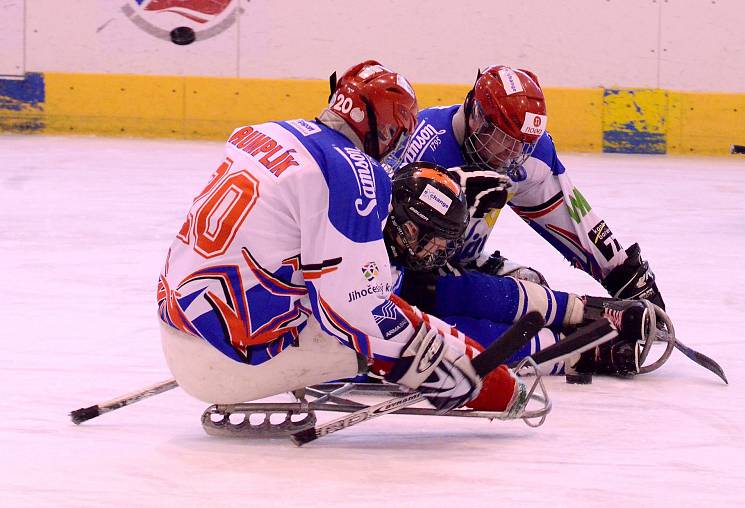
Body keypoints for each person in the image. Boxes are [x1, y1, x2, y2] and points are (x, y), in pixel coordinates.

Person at [156, 60, 526, 415]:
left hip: (179, 320)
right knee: (378, 314)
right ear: (383, 130)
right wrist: (452, 369)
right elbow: (353, 306)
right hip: (234, 356)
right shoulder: (353, 171)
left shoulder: (265, 132)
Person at [388, 65, 665, 311]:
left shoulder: (527, 154)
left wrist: (627, 277)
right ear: (477, 118)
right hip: (407, 276)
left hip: (463, 263)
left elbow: (575, 220)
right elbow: (380, 238)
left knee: (532, 289)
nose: (515, 153)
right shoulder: (423, 146)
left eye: (525, 144)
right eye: (505, 139)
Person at [383, 161, 656, 378]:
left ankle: (579, 310)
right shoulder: (365, 247)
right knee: (457, 337)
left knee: (465, 291)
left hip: (394, 287)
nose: (441, 252)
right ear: (407, 229)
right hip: (369, 317)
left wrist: (455, 182)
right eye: (435, 242)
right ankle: (574, 352)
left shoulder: (384, 211)